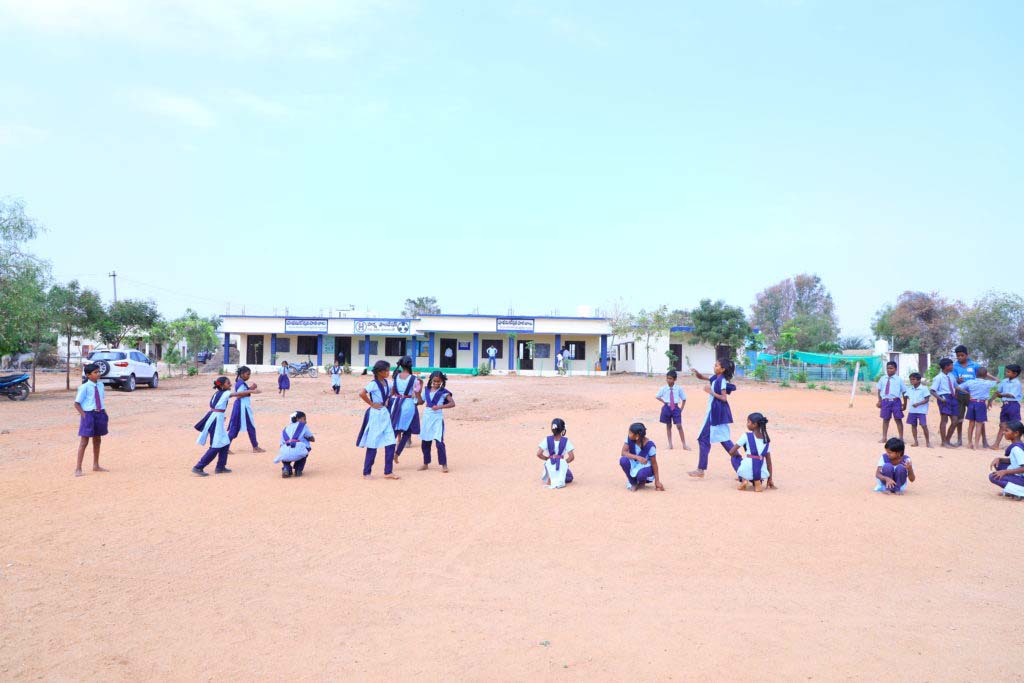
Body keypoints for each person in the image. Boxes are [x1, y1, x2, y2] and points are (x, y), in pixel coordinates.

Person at [688, 358, 737, 478]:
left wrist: (710, 392)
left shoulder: (721, 381)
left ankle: (701, 469)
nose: (714, 367)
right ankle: (741, 468)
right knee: (721, 439)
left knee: (706, 439)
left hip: (715, 413)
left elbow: (724, 398)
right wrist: (697, 373)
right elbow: (702, 377)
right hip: (716, 413)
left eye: (716, 365)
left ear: (722, 369)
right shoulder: (716, 378)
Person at [357, 360, 399, 479]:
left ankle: (388, 471)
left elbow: (392, 391)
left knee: (391, 442)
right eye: (386, 371)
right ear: (379, 372)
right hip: (375, 414)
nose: (388, 372)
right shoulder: (373, 384)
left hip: (384, 413)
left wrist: (388, 397)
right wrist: (371, 403)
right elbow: (362, 393)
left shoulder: (387, 382)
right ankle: (367, 472)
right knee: (373, 443)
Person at [192, 376, 234, 476]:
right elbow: (236, 394)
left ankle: (220, 466)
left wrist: (221, 416)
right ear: (222, 386)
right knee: (216, 445)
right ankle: (198, 467)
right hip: (215, 420)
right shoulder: (225, 393)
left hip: (215, 418)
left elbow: (216, 407)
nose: (230, 384)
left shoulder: (217, 393)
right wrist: (251, 391)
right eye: (228, 383)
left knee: (225, 442)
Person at [74, 363, 109, 477]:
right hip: (89, 414)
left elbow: (101, 399)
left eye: (99, 372)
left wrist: (104, 412)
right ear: (88, 375)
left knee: (97, 440)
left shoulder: (101, 385)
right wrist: (84, 416)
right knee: (84, 441)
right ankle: (78, 468)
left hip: (100, 413)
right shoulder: (84, 387)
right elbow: (77, 403)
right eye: (95, 372)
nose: (98, 374)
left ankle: (96, 465)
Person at [728, 412, 775, 492]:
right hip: (760, 472)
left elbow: (731, 452)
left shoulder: (746, 436)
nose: (747, 424)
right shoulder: (766, 439)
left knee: (735, 458)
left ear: (754, 424)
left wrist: (737, 454)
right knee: (758, 466)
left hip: (747, 467)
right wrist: (770, 479)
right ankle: (757, 483)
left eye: (748, 422)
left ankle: (744, 480)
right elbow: (769, 462)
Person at [419, 371, 455, 472]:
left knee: (439, 442)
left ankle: (444, 465)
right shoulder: (426, 390)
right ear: (431, 380)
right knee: (425, 442)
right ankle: (425, 463)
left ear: (442, 381)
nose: (436, 383)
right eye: (434, 381)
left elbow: (452, 403)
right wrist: (417, 392)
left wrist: (439, 406)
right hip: (427, 418)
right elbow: (420, 402)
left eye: (438, 381)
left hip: (437, 419)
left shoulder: (444, 392)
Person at [389, 355, 422, 462]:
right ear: (410, 364)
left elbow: (392, 392)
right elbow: (418, 397)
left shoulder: (396, 377)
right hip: (408, 405)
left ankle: (388, 454)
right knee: (407, 431)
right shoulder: (414, 379)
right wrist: (420, 400)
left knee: (395, 429)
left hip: (396, 404)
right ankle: (397, 453)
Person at [956, 366, 998, 450]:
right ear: (985, 375)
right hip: (981, 404)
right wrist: (989, 375)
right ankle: (976, 445)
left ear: (976, 374)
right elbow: (998, 380)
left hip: (972, 403)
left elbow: (958, 387)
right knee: (979, 425)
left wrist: (967, 392)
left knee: (971, 424)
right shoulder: (988, 383)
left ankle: (969, 443)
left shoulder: (970, 382)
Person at [228, 366, 265, 453]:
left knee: (246, 426)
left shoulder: (241, 383)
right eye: (247, 374)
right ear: (242, 374)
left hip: (242, 407)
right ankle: (255, 447)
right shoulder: (240, 383)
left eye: (249, 374)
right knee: (236, 427)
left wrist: (250, 388)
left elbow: (243, 392)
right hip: (242, 407)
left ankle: (255, 446)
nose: (249, 376)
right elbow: (239, 395)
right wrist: (252, 391)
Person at [950, 345, 980, 446]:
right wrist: (957, 380)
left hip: (973, 395)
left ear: (967, 355)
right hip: (959, 395)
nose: (960, 357)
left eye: (962, 355)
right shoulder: (954, 366)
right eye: (958, 356)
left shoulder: (975, 365)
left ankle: (983, 440)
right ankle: (959, 440)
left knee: (977, 418)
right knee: (959, 418)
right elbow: (952, 379)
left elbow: (982, 375)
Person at [620, 422, 664, 491]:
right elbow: (623, 452)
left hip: (645, 466)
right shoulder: (629, 439)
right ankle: (633, 482)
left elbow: (654, 463)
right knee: (623, 460)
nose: (628, 434)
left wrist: (657, 481)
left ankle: (642, 481)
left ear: (637, 436)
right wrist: (637, 457)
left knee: (641, 474)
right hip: (634, 462)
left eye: (630, 433)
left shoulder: (650, 446)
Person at [989, 420, 1024, 498]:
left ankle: (1019, 492)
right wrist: (1000, 459)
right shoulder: (1019, 445)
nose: (1003, 432)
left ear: (1016, 433)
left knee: (993, 477)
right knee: (999, 464)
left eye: (1006, 431)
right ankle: (1013, 490)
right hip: (1019, 474)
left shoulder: (1016, 449)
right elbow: (1016, 460)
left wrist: (1005, 472)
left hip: (1022, 477)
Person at [990, 364, 1022, 450]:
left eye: (1008, 372)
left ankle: (1018, 445)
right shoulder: (1004, 381)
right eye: (1006, 371)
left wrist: (1001, 395)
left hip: (1013, 405)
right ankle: (996, 444)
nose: (1006, 373)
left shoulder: (1017, 383)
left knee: (1015, 426)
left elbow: (1012, 395)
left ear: (1015, 374)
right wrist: (990, 400)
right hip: (1005, 406)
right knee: (1002, 425)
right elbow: (998, 392)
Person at [275, 411, 315, 478]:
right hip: (298, 452)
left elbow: (281, 445)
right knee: (304, 451)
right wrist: (305, 438)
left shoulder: (285, 429)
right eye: (304, 419)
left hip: (285, 453)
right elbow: (312, 439)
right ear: (297, 419)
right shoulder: (303, 426)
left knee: (284, 453)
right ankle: (298, 470)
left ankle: (286, 468)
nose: (306, 421)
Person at [537, 418, 575, 488]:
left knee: (551, 467)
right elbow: (571, 457)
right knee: (569, 477)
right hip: (561, 464)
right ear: (563, 429)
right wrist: (563, 462)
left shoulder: (547, 439)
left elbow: (539, 454)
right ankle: (558, 478)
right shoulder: (566, 441)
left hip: (550, 464)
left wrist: (547, 458)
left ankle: (550, 477)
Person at [656, 369, 689, 450]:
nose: (668, 380)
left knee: (679, 426)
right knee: (668, 425)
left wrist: (681, 409)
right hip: (667, 408)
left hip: (675, 408)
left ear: (675, 379)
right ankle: (670, 444)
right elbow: (657, 396)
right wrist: (664, 402)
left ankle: (684, 444)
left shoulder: (678, 389)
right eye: (667, 378)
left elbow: (684, 399)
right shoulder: (664, 388)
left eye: (670, 378)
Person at [930, 358, 959, 448]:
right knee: (944, 420)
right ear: (946, 366)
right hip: (944, 398)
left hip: (952, 398)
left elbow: (956, 386)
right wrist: (941, 399)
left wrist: (966, 392)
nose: (952, 367)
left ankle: (947, 440)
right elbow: (932, 391)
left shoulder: (951, 376)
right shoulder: (938, 378)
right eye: (951, 365)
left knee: (955, 421)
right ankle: (943, 442)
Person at [876, 361, 907, 443]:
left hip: (896, 401)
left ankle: (901, 438)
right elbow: (879, 390)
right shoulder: (882, 378)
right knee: (885, 419)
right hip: (885, 401)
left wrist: (905, 404)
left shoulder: (899, 380)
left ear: (895, 369)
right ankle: (884, 437)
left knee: (898, 419)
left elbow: (904, 392)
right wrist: (879, 400)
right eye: (888, 368)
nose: (889, 370)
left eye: (891, 368)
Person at [905, 372, 932, 448]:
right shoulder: (910, 389)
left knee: (923, 425)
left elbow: (927, 399)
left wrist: (918, 404)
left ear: (919, 380)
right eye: (910, 379)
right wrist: (905, 404)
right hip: (912, 410)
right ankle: (916, 441)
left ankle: (928, 442)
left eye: (913, 379)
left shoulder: (924, 388)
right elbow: (906, 396)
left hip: (921, 411)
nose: (911, 381)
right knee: (913, 425)